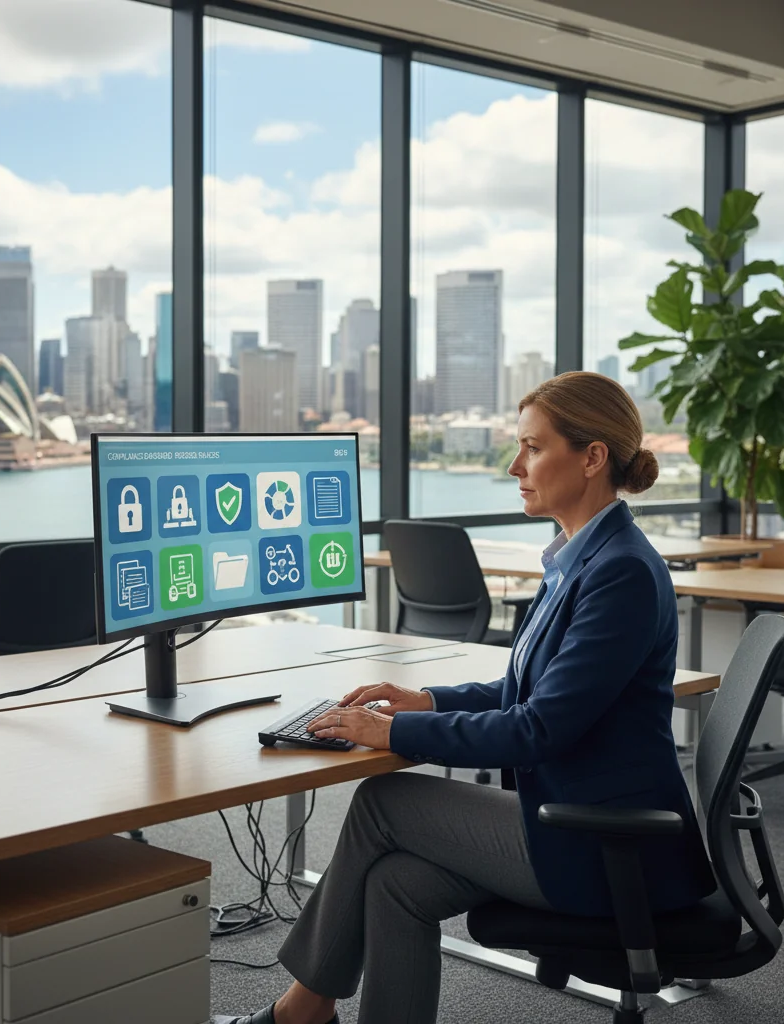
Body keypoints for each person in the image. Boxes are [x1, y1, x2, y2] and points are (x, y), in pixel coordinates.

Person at [216, 372, 715, 1024]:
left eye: (533, 448)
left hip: (604, 847)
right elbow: (520, 690)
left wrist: (389, 734)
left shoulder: (619, 571)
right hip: (567, 819)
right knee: (396, 886)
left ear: (592, 457)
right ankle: (308, 1012)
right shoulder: (580, 557)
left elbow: (538, 729)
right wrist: (423, 701)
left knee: (383, 800)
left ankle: (300, 1013)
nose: (515, 466)